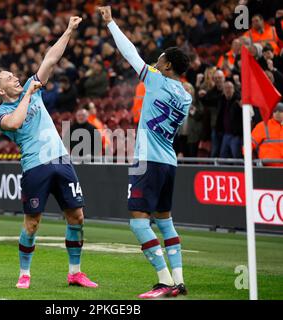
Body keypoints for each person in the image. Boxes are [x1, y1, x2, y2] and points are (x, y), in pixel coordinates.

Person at [0, 16, 97, 290]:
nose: (16, 77)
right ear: (0, 90)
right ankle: (24, 273)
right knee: (33, 223)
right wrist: (28, 94)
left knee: (77, 217)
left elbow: (50, 59)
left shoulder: (31, 88)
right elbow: (14, 123)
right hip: (35, 166)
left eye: (15, 76)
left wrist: (69, 31)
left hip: (61, 161)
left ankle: (75, 273)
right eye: (9, 78)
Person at [99, 6, 192, 299]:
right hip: (168, 161)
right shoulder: (186, 96)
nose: (157, 58)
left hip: (148, 160)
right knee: (165, 220)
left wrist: (111, 23)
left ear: (167, 66)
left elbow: (130, 53)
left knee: (138, 222)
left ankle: (164, 281)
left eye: (161, 57)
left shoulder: (154, 78)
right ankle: (179, 280)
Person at [251, 102, 283, 167]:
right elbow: (249, 144)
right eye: (275, 111)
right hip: (267, 168)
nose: (277, 113)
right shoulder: (262, 126)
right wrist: (250, 160)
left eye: (280, 111)